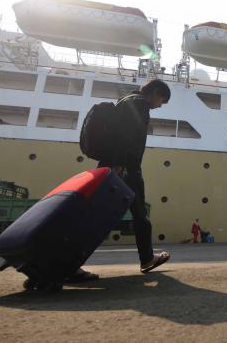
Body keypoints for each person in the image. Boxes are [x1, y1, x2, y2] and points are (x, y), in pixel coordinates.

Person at [69, 79, 172, 282]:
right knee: (117, 216)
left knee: (121, 215)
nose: (160, 105)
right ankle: (70, 263)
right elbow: (127, 137)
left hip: (115, 165)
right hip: (125, 168)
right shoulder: (140, 104)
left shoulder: (126, 100)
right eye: (162, 100)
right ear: (155, 92)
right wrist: (120, 165)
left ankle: (146, 258)